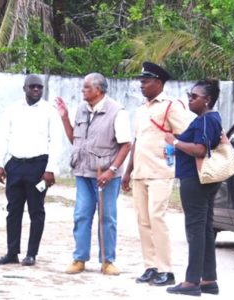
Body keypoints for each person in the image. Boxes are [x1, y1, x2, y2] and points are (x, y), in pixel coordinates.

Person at [56, 73, 131, 275]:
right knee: (81, 215)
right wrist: (64, 118)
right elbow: (75, 140)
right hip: (83, 172)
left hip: (106, 176)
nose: (83, 90)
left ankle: (107, 261)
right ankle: (79, 258)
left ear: (98, 90)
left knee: (106, 217)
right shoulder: (81, 109)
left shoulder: (117, 112)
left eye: (87, 87)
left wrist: (111, 170)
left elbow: (126, 145)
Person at [122, 62, 189, 286]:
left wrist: (174, 147)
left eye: (146, 81)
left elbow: (186, 135)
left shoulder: (172, 106)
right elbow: (136, 142)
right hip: (140, 173)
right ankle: (150, 266)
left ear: (158, 83)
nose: (142, 85)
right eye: (141, 81)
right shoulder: (142, 110)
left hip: (161, 171)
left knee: (157, 218)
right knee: (143, 221)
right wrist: (127, 171)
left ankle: (166, 270)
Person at [0, 74, 62, 267]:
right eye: (32, 87)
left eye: (39, 87)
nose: (36, 90)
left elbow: (56, 142)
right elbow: (2, 137)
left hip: (38, 167)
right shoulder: (13, 110)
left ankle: (31, 254)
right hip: (14, 166)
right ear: (24, 88)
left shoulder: (50, 111)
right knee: (13, 210)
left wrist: (50, 169)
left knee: (36, 211)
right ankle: (11, 252)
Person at [164, 80, 222, 296]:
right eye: (189, 95)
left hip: (196, 180)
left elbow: (199, 149)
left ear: (207, 100)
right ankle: (208, 279)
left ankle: (192, 281)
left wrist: (175, 142)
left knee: (195, 229)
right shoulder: (209, 119)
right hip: (204, 180)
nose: (190, 98)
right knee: (205, 228)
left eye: (194, 96)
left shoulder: (206, 120)